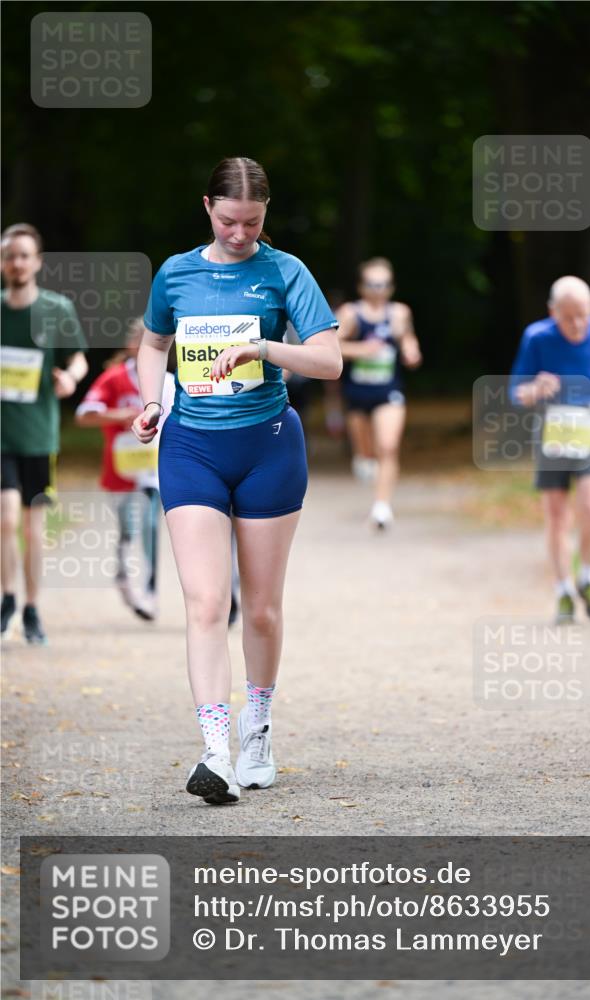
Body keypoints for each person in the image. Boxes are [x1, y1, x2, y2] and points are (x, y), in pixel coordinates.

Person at [132, 156, 341, 805]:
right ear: (207, 208)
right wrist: (151, 402)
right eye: (228, 220)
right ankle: (215, 751)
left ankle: (259, 730)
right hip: (191, 446)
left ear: (264, 216)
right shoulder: (176, 272)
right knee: (202, 603)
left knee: (261, 607)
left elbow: (330, 360)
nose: (239, 234)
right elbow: (151, 345)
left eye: (251, 222)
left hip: (268, 448)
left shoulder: (285, 271)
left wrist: (264, 349)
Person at [510, 275, 590, 625]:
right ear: (553, 312)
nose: (578, 324)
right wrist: (535, 389)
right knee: (556, 514)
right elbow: (516, 392)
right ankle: (563, 590)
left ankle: (588, 578)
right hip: (554, 428)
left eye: (584, 314)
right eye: (568, 317)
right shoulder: (537, 337)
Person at [1, 223, 88, 644]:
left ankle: (32, 608)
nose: (16, 262)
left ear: (37, 262)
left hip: (38, 436)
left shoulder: (56, 309)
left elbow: (77, 361)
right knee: (5, 519)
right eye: (9, 255)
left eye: (23, 255)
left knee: (34, 527)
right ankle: (7, 599)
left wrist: (69, 379)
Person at [75, 318, 175, 621]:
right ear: (131, 344)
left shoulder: (170, 382)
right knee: (129, 530)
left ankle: (150, 591)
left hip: (155, 471)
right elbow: (84, 416)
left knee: (151, 526)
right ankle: (123, 575)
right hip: (121, 471)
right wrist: (123, 414)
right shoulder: (114, 378)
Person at [336, 257, 422, 528]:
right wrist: (361, 350)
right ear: (362, 287)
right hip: (357, 392)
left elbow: (408, 338)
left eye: (384, 284)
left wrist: (411, 350)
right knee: (366, 454)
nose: (379, 289)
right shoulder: (350, 313)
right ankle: (363, 458)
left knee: (388, 446)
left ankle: (382, 507)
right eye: (373, 284)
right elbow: (330, 348)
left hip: (389, 390)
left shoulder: (399, 313)